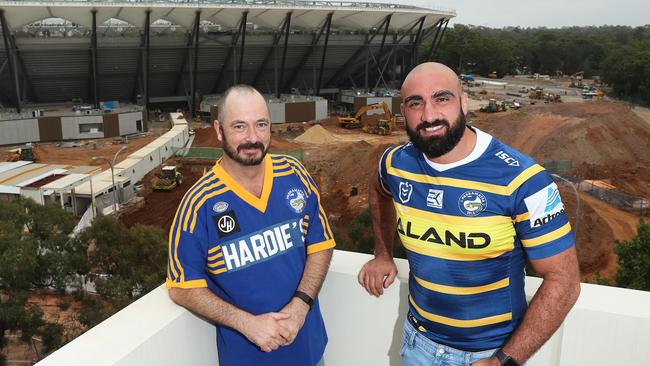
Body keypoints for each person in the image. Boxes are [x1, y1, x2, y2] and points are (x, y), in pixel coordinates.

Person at [358, 62, 580, 366]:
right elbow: (378, 190)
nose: (429, 115)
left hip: (488, 355)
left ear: (464, 102)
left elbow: (564, 282)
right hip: (417, 345)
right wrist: (382, 253)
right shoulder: (395, 163)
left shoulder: (524, 180)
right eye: (415, 103)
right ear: (403, 111)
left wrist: (504, 361)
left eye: (442, 98)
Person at [167, 84, 335, 366]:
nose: (252, 137)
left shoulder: (294, 174)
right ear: (219, 130)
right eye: (239, 127)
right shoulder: (199, 203)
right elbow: (181, 286)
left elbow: (321, 244)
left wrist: (300, 304)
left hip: (309, 350)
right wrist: (247, 323)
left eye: (261, 124)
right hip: (248, 358)